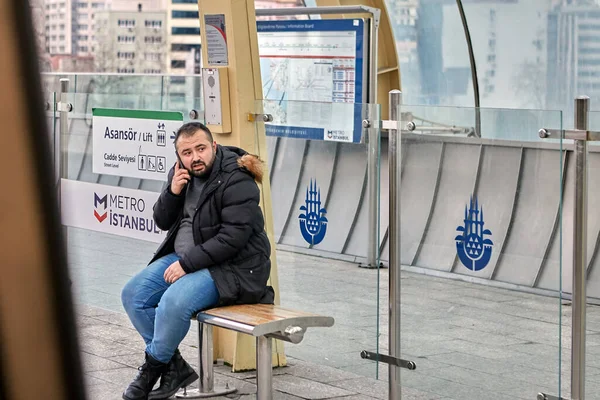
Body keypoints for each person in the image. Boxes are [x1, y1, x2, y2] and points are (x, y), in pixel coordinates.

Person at [120, 122, 274, 400]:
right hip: (185, 258)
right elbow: (162, 220)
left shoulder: (236, 178)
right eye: (187, 152)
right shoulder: (180, 174)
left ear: (213, 146)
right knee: (133, 295)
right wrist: (172, 192)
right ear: (180, 156)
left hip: (233, 267)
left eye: (201, 149)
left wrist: (186, 264)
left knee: (173, 302)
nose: (195, 158)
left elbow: (232, 239)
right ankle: (174, 366)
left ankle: (152, 370)